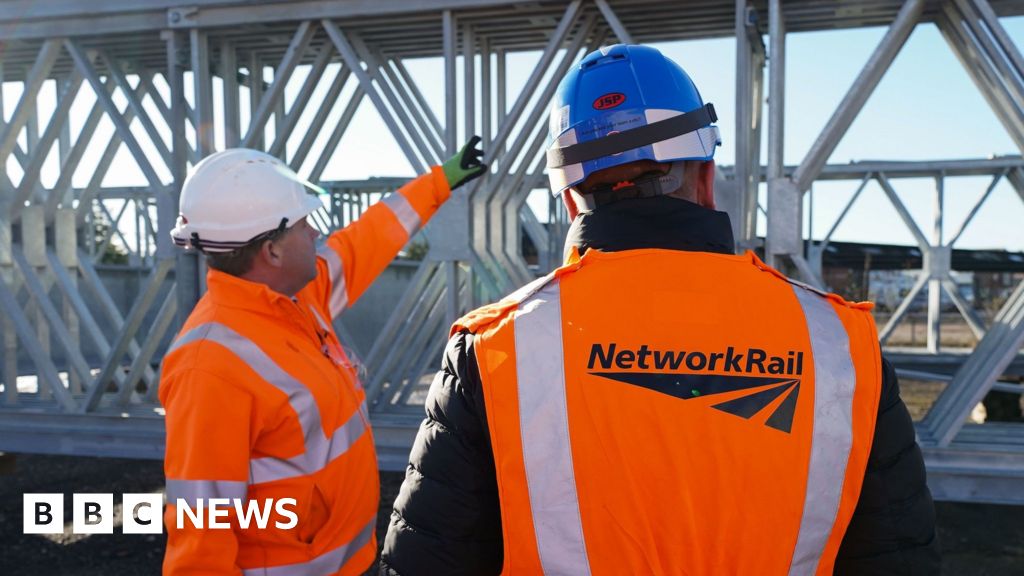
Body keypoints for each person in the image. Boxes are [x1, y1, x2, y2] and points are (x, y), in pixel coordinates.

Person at [380, 45, 939, 575]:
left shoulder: (493, 348)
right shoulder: (840, 343)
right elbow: (899, 557)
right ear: (706, 177)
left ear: (571, 196)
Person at [160, 139, 485, 575]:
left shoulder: (296, 299)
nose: (315, 233)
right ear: (271, 251)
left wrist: (440, 181)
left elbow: (367, 238)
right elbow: (199, 529)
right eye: (302, 223)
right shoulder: (209, 366)